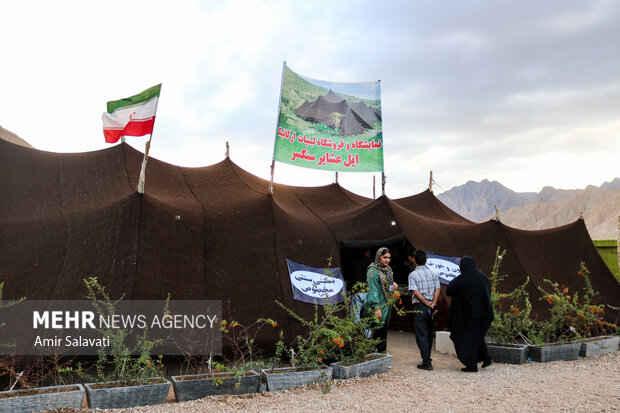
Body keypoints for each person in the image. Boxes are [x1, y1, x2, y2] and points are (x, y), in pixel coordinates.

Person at [447, 255, 494, 372]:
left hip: (469, 317)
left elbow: (449, 290)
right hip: (485, 315)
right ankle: (486, 358)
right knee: (477, 337)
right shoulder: (483, 277)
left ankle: (471, 365)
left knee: (466, 339)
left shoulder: (463, 278)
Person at [361, 247, 398, 353]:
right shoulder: (373, 270)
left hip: (386, 305)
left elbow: (386, 288)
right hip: (375, 305)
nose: (387, 260)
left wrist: (393, 287)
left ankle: (381, 356)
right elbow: (373, 289)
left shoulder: (388, 270)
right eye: (384, 257)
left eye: (389, 258)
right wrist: (376, 307)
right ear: (378, 257)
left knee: (382, 331)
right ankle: (373, 355)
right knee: (374, 330)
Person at [408, 249, 440, 370]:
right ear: (426, 260)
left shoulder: (413, 275)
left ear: (414, 260)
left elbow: (415, 292)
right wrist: (433, 303)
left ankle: (426, 361)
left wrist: (426, 303)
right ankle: (427, 358)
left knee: (421, 333)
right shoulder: (433, 273)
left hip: (420, 306)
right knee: (429, 333)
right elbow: (438, 289)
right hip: (432, 307)